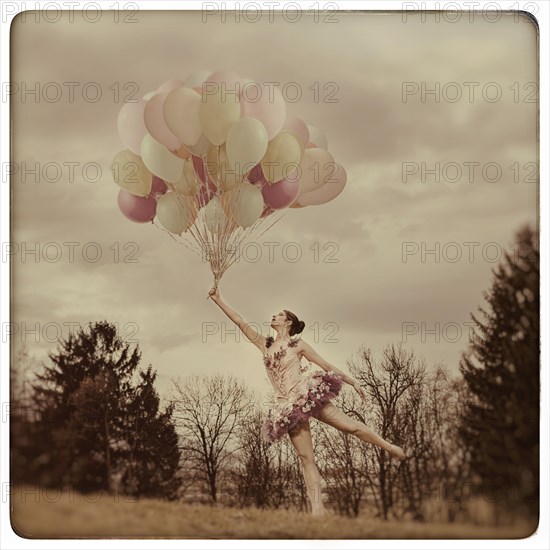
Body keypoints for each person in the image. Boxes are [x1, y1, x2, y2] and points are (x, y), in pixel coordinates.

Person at [208, 286, 406, 516]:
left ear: (288, 322)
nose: (274, 316)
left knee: (351, 427)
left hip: (308, 396)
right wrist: (217, 299)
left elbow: (326, 366)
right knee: (305, 458)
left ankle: (389, 447)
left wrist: (353, 382)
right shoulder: (265, 344)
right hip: (287, 407)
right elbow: (240, 322)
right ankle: (318, 509)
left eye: (279, 314)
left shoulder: (298, 345)